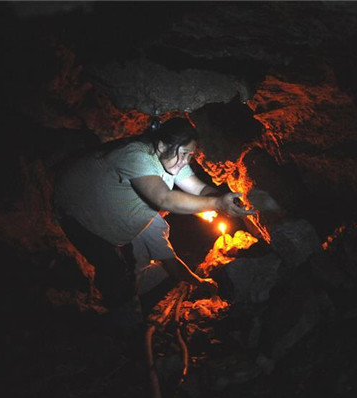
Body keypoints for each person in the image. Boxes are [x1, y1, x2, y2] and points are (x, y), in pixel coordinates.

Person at [52, 118, 254, 311]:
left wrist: (224, 199)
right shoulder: (137, 155)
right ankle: (116, 325)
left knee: (124, 274)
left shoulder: (173, 161)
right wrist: (217, 203)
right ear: (162, 146)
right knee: (118, 282)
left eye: (190, 156)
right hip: (80, 221)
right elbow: (164, 198)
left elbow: (199, 189)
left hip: (109, 231)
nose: (186, 161)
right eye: (183, 153)